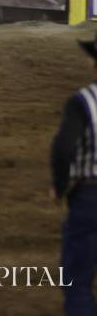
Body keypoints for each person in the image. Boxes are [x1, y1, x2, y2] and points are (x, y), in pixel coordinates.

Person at [51, 34, 97, 314]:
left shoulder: (84, 101)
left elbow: (63, 149)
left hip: (90, 197)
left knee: (77, 283)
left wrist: (59, 186)